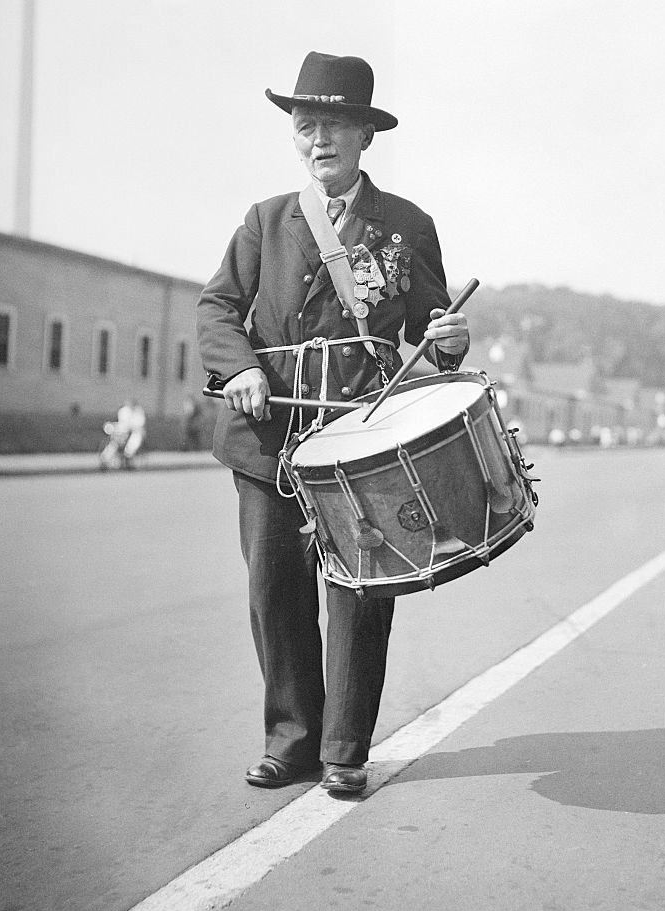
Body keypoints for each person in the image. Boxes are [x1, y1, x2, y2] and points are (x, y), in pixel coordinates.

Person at [197, 52, 470, 794]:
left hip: (361, 445)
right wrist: (242, 369)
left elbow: (434, 331)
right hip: (271, 438)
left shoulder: (408, 225)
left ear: (364, 138)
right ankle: (291, 740)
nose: (320, 139)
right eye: (307, 125)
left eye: (335, 126)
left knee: (359, 593)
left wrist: (449, 343)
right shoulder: (264, 223)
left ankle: (345, 749)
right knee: (274, 592)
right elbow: (217, 308)